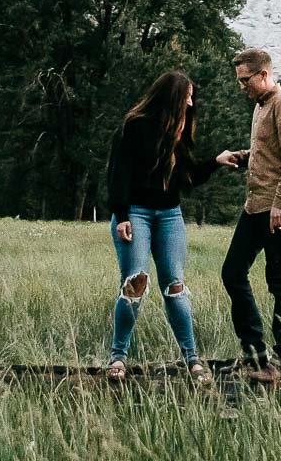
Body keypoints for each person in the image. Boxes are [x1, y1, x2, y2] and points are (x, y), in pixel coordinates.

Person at [103, 69, 241, 383]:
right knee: (134, 284)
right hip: (135, 213)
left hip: (169, 216)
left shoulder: (178, 132)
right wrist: (121, 215)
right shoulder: (134, 126)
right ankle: (118, 357)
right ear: (172, 97)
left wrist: (215, 162)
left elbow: (186, 179)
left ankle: (192, 359)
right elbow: (118, 173)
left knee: (175, 287)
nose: (191, 103)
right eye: (187, 96)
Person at [220, 46, 281, 376]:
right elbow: (266, 154)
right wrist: (240, 157)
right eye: (239, 80)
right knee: (232, 272)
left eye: (245, 80)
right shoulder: (260, 106)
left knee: (278, 279)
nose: (242, 86)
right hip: (255, 204)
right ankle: (254, 351)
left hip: (275, 207)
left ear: (264, 74)